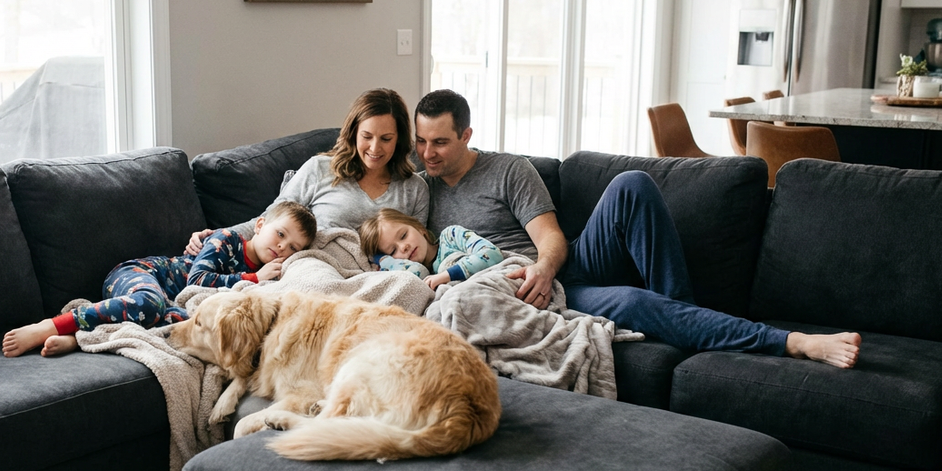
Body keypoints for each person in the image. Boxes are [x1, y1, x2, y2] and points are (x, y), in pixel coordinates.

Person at [413, 89, 861, 368]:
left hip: (555, 274)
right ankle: (792, 342)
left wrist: (544, 271)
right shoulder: (420, 189)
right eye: (421, 141)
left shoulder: (508, 170)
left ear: (466, 136)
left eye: (440, 142)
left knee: (632, 184)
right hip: (518, 295)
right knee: (634, 302)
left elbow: (550, 238)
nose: (428, 153)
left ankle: (683, 316)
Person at [3, 200, 316, 358]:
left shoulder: (272, 275)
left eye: (293, 248)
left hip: (166, 301)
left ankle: (81, 338)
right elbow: (197, 280)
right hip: (140, 274)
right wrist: (253, 277)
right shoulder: (227, 240)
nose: (282, 247)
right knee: (149, 303)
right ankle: (50, 325)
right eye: (280, 234)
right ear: (260, 225)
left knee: (184, 327)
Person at [185, 87, 429, 256]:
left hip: (375, 278)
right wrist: (220, 236)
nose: (375, 148)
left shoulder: (415, 189)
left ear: (399, 140)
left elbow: (417, 255)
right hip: (314, 267)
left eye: (386, 139)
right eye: (367, 136)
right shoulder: (320, 169)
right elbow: (272, 219)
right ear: (354, 133)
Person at [358, 208, 503, 291]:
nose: (403, 247)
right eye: (392, 251)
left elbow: (491, 253)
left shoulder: (450, 236)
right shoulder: (418, 277)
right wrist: (383, 260)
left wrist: (447, 275)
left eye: (403, 235)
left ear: (419, 228)